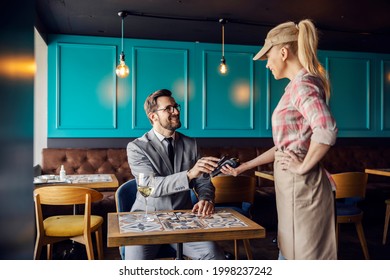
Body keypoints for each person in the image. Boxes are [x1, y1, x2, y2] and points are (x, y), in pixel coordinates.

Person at [222, 19, 338, 260]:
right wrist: (244, 167)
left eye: (268, 57)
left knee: (304, 258)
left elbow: (326, 128)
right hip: (294, 184)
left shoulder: (303, 85)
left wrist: (303, 166)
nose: (267, 65)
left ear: (284, 52)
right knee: (290, 252)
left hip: (302, 183)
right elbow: (284, 147)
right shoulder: (296, 86)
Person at [125, 89, 226, 260]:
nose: (176, 112)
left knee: (214, 254)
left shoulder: (191, 144)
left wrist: (206, 199)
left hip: (183, 220)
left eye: (176, 107)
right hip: (146, 220)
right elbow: (149, 187)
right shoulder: (137, 148)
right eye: (169, 108)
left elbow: (203, 181)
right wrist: (189, 174)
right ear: (153, 117)